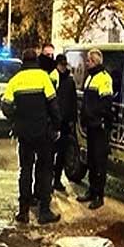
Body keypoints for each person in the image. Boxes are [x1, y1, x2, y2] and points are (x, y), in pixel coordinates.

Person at [2, 49, 62, 224]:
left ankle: (23, 212)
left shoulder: (15, 80)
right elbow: (54, 105)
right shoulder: (43, 77)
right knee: (44, 170)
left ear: (22, 61)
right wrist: (56, 126)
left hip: (24, 134)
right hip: (43, 133)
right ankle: (44, 211)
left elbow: (5, 107)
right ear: (36, 60)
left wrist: (16, 118)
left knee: (25, 170)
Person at [78, 49, 114, 210]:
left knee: (99, 162)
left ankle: (99, 195)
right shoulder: (90, 78)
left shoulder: (104, 78)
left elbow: (105, 104)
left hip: (99, 127)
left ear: (95, 61)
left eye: (89, 61)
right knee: (91, 160)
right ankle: (91, 191)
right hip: (91, 126)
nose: (86, 63)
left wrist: (93, 116)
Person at [51, 54, 78, 192]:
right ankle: (49, 181)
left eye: (64, 64)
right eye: (60, 64)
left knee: (61, 153)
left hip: (65, 122)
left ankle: (57, 180)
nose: (62, 67)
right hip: (54, 122)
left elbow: (73, 102)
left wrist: (72, 120)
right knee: (50, 153)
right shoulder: (52, 78)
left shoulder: (69, 81)